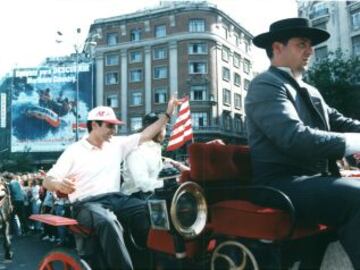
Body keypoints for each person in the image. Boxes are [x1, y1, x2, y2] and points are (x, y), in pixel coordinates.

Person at [245, 17, 360, 269]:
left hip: (314, 180)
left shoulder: (310, 90)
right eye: (302, 44)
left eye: (309, 45)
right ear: (277, 48)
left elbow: (343, 122)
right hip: (280, 183)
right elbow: (293, 137)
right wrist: (355, 143)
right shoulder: (265, 85)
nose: (310, 51)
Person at [43, 98, 178, 270]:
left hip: (117, 199)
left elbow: (146, 134)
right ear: (94, 125)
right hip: (86, 204)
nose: (114, 130)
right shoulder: (74, 150)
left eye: (115, 126)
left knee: (149, 210)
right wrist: (59, 184)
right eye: (110, 126)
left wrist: (167, 114)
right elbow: (48, 180)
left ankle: (148, 262)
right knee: (108, 221)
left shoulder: (116, 144)